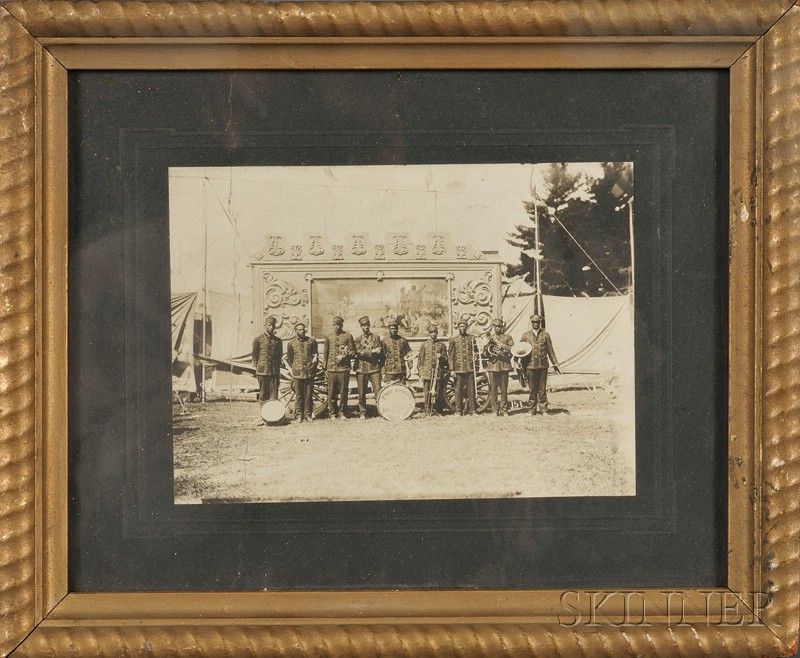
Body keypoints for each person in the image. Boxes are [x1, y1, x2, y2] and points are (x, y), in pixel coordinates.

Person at [519, 314, 561, 414]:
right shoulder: (525, 336)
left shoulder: (546, 335)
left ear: (540, 322)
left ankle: (543, 409)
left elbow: (551, 351)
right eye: (533, 322)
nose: (535, 324)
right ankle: (532, 410)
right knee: (532, 389)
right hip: (530, 366)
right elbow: (520, 349)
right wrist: (518, 361)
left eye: (537, 322)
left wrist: (555, 364)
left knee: (542, 389)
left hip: (542, 366)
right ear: (531, 323)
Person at [322, 316, 356, 419]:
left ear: (341, 325)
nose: (336, 327)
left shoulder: (348, 336)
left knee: (343, 392)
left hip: (343, 369)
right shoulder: (329, 337)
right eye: (334, 325)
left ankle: (342, 413)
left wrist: (344, 355)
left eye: (338, 325)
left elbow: (353, 352)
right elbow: (326, 353)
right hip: (332, 368)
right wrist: (325, 367)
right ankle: (332, 413)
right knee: (331, 392)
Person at [285, 322, 318, 423]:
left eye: (303, 329)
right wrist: (296, 367)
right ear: (295, 331)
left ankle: (308, 415)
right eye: (299, 330)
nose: (302, 331)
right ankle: (299, 415)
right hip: (298, 373)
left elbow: (315, 356)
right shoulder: (291, 343)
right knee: (299, 395)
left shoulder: (311, 341)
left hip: (309, 372)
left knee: (308, 395)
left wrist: (312, 367)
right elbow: (290, 359)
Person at [353, 316, 384, 419]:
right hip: (361, 369)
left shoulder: (376, 338)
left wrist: (368, 352)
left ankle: (381, 410)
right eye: (364, 325)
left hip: (374, 368)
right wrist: (373, 351)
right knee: (361, 392)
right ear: (361, 326)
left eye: (367, 325)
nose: (366, 327)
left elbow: (379, 352)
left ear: (370, 325)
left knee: (378, 390)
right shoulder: (357, 339)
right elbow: (358, 352)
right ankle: (362, 412)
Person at [483, 318, 514, 416]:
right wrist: (490, 351)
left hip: (504, 366)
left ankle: (504, 410)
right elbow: (484, 353)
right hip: (493, 366)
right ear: (493, 327)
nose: (497, 328)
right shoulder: (490, 338)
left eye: (499, 326)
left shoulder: (508, 337)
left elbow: (513, 350)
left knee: (504, 390)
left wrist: (502, 347)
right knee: (493, 389)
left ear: (502, 327)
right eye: (495, 327)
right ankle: (495, 410)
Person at [448, 318, 476, 415]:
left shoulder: (471, 338)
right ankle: (458, 411)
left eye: (464, 326)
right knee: (458, 391)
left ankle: (472, 410)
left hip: (469, 368)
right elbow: (450, 356)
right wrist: (451, 369)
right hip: (458, 369)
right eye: (461, 326)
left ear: (466, 327)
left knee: (471, 390)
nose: (462, 328)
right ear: (458, 327)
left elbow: (475, 351)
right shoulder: (453, 340)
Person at [418, 323, 448, 415]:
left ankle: (438, 410)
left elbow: (446, 360)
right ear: (429, 333)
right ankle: (427, 410)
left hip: (438, 373)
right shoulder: (424, 345)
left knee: (438, 392)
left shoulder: (441, 345)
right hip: (427, 372)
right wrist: (421, 374)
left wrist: (441, 357)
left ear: (437, 333)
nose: (433, 334)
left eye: (435, 332)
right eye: (431, 332)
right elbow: (420, 361)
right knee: (427, 393)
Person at [251, 316, 283, 403]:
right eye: (269, 325)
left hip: (274, 371)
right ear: (265, 325)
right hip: (262, 371)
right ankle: (263, 413)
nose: (271, 327)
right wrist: (258, 365)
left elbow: (280, 355)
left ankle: (272, 415)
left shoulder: (278, 340)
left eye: (273, 326)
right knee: (263, 393)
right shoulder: (258, 339)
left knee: (274, 395)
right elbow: (254, 355)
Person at [383, 320, 412, 384]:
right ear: (389, 329)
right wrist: (383, 372)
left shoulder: (403, 340)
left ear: (397, 329)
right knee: (390, 390)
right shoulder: (385, 341)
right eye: (391, 329)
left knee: (401, 390)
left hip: (401, 370)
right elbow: (382, 357)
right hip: (390, 371)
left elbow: (409, 355)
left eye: (394, 329)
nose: (393, 330)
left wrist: (409, 369)